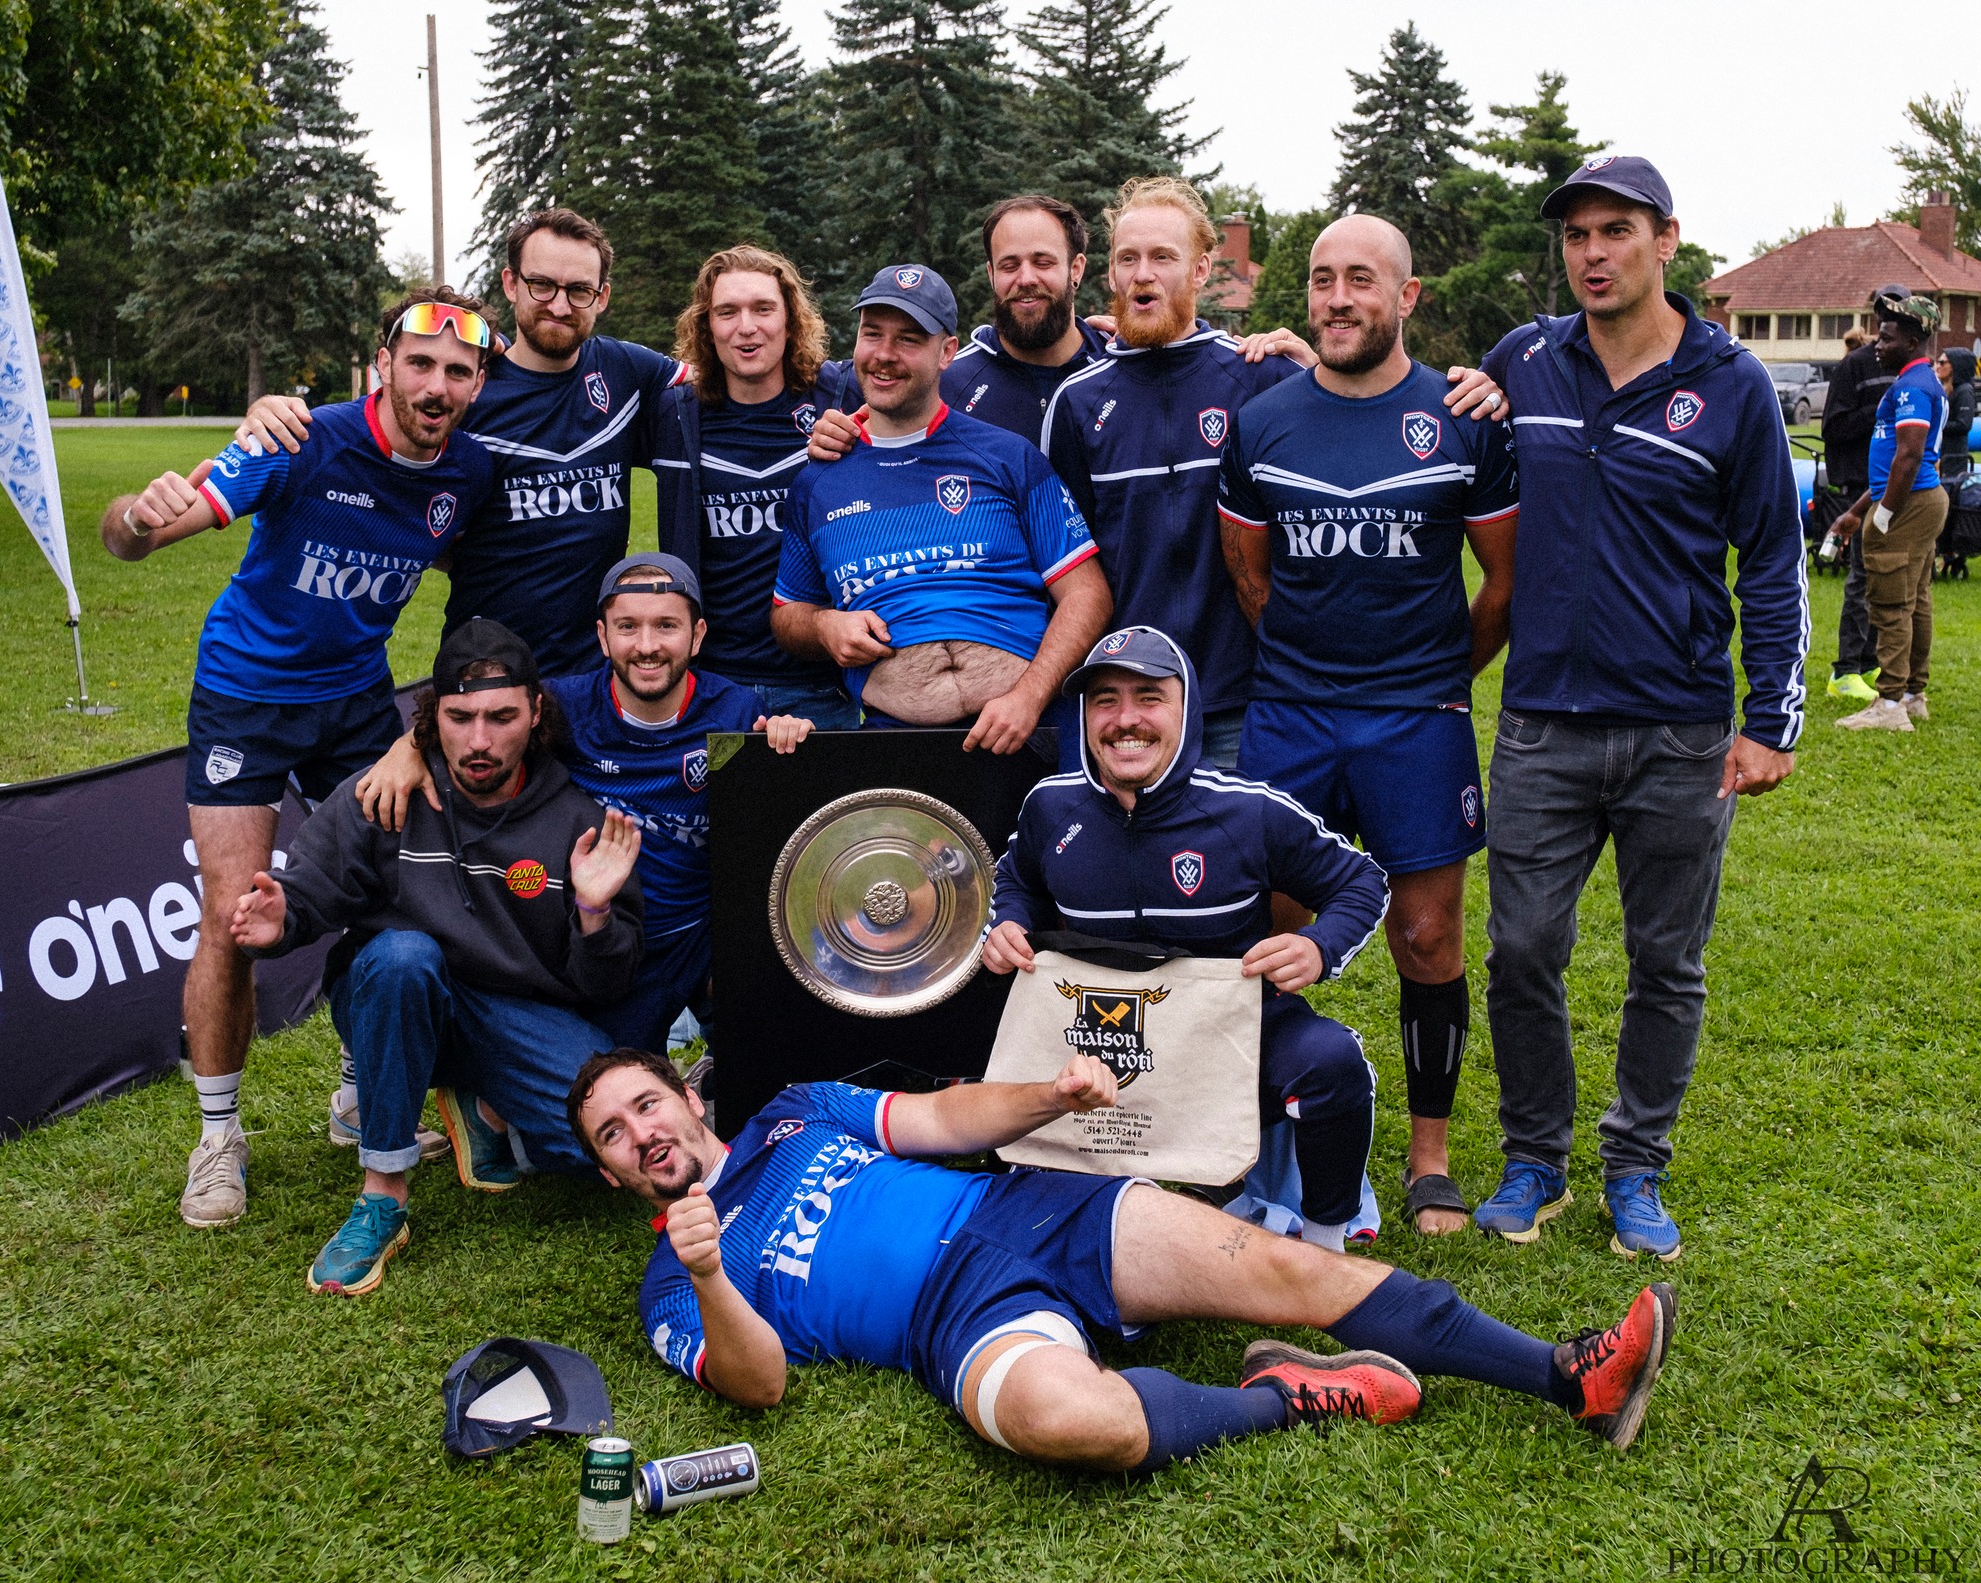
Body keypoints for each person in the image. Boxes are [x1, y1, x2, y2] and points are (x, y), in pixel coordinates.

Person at [569, 1046, 1678, 1470]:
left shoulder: (791, 1111)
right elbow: (758, 1385)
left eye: (644, 1103)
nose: (642, 1132)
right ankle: (1287, 1394)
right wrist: (712, 1269)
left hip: (1032, 1210)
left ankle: (1564, 1373)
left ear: (686, 1093)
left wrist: (1043, 1096)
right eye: (613, 1136)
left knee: (1298, 1271)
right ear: (616, 1176)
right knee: (1077, 1425)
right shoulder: (668, 1286)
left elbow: (943, 1116)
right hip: (953, 1321)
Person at [98, 290, 499, 1231]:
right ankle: (217, 1136)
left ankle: (361, 1090)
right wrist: (137, 513)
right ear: (382, 364)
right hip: (246, 695)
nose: (435, 386)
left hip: (358, 702)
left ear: (478, 384)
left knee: (402, 890)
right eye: (420, 364)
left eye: (457, 371)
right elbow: (146, 533)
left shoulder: (469, 472)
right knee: (235, 917)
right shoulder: (297, 438)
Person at [1473, 156, 1806, 1261]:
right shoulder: (1523, 360)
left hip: (1677, 729)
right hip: (1539, 726)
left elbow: (1769, 556)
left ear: (1666, 239)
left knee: (1667, 963)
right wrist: (1283, 352)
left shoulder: (1732, 384)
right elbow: (1402, 415)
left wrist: (1770, 719)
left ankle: (1635, 1165)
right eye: (1574, 237)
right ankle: (1534, 1157)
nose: (1591, 255)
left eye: (1614, 231)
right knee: (1522, 947)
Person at [1217, 215, 1519, 1237]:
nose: (1337, 298)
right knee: (1270, 929)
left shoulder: (1462, 415)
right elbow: (1248, 570)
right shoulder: (1263, 420)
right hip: (1291, 711)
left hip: (1416, 719)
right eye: (1319, 280)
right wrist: (1314, 663)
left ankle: (1428, 1160)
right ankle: (1266, 1144)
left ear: (1406, 296)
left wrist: (1436, 677)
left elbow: (1502, 583)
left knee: (1426, 934)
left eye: (1360, 280)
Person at [228, 620, 647, 1296]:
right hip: (399, 993)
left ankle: (485, 1109)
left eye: (501, 716)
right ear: (431, 717)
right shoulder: (384, 793)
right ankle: (382, 1196)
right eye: (460, 717)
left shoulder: (576, 819)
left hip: (511, 1015)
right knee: (402, 958)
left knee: (594, 1150)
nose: (479, 739)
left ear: (535, 712)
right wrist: (283, 920)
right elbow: (308, 894)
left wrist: (596, 914)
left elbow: (608, 979)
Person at [1038, 178, 1512, 772]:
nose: (1142, 274)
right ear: (1108, 273)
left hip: (1245, 699)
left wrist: (1314, 363)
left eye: (1163, 257)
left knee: (1252, 863)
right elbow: (1062, 573)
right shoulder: (1078, 404)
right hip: (1122, 700)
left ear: (1202, 268)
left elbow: (1345, 405)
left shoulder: (1259, 379)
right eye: (1127, 259)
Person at [984, 626, 1389, 1251]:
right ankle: (1182, 1200)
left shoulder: (1248, 811)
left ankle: (1326, 1241)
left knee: (1330, 1061)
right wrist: (1006, 922)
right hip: (1100, 1038)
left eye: (1149, 698)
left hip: (1223, 1031)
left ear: (1187, 708)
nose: (1125, 720)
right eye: (1105, 700)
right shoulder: (1050, 807)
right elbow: (1015, 879)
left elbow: (1361, 880)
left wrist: (1319, 945)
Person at [357, 555, 816, 1058]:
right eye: (627, 627)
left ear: (697, 634)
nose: (646, 646)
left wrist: (787, 740)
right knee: (602, 1084)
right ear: (602, 637)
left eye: (666, 626)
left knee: (777, 1058)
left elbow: (779, 813)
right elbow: (474, 726)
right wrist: (408, 747)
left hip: (701, 933)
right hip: (609, 934)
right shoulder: (564, 706)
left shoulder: (735, 711)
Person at [234, 208, 690, 676]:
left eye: (579, 290)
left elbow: (722, 383)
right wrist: (270, 409)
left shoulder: (628, 369)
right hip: (485, 671)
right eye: (542, 285)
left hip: (594, 672)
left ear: (602, 297)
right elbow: (373, 436)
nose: (559, 305)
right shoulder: (461, 392)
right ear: (511, 283)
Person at [771, 264, 1114, 759]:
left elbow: (1087, 594)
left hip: (1029, 729)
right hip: (895, 739)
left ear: (947, 353)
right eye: (873, 335)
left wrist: (1028, 697)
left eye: (909, 339)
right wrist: (825, 627)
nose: (884, 355)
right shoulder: (819, 481)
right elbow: (787, 615)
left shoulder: (1006, 457)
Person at [650, 246, 858, 729]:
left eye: (763, 309)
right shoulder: (672, 413)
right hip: (714, 685)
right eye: (728, 312)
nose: (747, 327)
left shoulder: (842, 399)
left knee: (827, 807)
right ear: (707, 326)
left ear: (791, 320)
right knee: (730, 808)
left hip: (822, 683)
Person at [808, 195, 1112, 453]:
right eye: (1010, 265)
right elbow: (874, 423)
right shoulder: (944, 381)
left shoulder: (1119, 365)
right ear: (991, 274)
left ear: (1076, 268)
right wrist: (834, 435)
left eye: (1043, 262)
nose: (1026, 279)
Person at [1829, 290, 1948, 731]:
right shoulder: (1918, 380)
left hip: (1908, 502)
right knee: (1915, 600)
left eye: (1887, 338)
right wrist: (1859, 509)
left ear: (1912, 344)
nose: (1878, 345)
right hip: (1916, 500)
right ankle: (1914, 693)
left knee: (1890, 603)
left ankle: (1891, 705)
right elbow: (1892, 462)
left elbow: (1908, 456)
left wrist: (1884, 513)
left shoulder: (1913, 386)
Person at [1820, 317, 1898, 700]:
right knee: (1862, 578)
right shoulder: (1855, 366)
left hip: (1893, 487)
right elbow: (1833, 427)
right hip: (1860, 483)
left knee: (1883, 577)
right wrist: (1882, 414)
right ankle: (1845, 670)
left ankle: (1868, 663)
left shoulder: (1907, 368)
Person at [1933, 346, 1975, 579]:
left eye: (1943, 362)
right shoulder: (1945, 389)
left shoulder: (1964, 391)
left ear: (1955, 367)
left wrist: (1934, 425)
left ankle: (1947, 550)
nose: (1938, 366)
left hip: (1953, 461)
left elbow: (1964, 424)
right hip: (1941, 457)